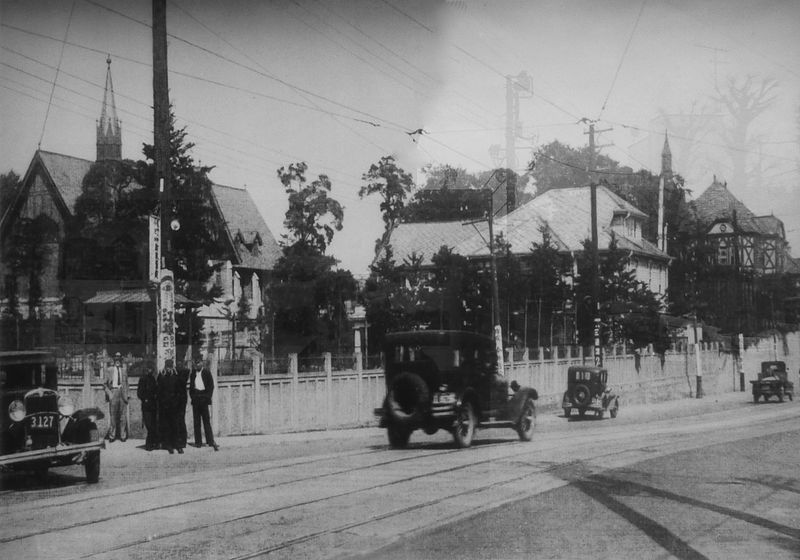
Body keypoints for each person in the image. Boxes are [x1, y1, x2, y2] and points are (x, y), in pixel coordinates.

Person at [189, 354, 218, 450]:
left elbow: (211, 386)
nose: (197, 365)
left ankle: (210, 441)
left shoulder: (206, 373)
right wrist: (193, 397)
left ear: (202, 363)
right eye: (195, 363)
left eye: (198, 363)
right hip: (196, 398)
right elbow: (191, 388)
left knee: (206, 421)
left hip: (204, 398)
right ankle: (198, 442)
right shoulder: (193, 373)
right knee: (196, 422)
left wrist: (207, 397)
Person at [157, 359, 184, 454]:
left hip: (174, 405)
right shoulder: (161, 376)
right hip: (165, 406)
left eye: (170, 366)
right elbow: (159, 391)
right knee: (166, 426)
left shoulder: (176, 376)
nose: (169, 368)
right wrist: (162, 403)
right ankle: (168, 445)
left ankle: (178, 445)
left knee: (175, 426)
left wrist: (177, 402)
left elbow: (180, 391)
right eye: (167, 366)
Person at [103, 352, 129, 442]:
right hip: (113, 392)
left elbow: (127, 383)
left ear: (121, 361)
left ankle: (122, 435)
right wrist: (109, 394)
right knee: (113, 415)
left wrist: (127, 395)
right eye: (116, 359)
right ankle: (112, 436)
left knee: (123, 416)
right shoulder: (109, 370)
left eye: (119, 359)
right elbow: (104, 384)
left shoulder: (124, 370)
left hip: (122, 393)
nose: (117, 361)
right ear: (114, 360)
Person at [137, 361, 159, 451]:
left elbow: (156, 391)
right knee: (149, 425)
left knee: (153, 425)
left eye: (151, 369)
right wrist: (144, 399)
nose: (149, 371)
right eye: (148, 369)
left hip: (153, 405)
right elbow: (139, 393)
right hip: (146, 406)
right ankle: (149, 444)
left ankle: (151, 443)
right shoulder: (142, 379)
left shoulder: (153, 379)